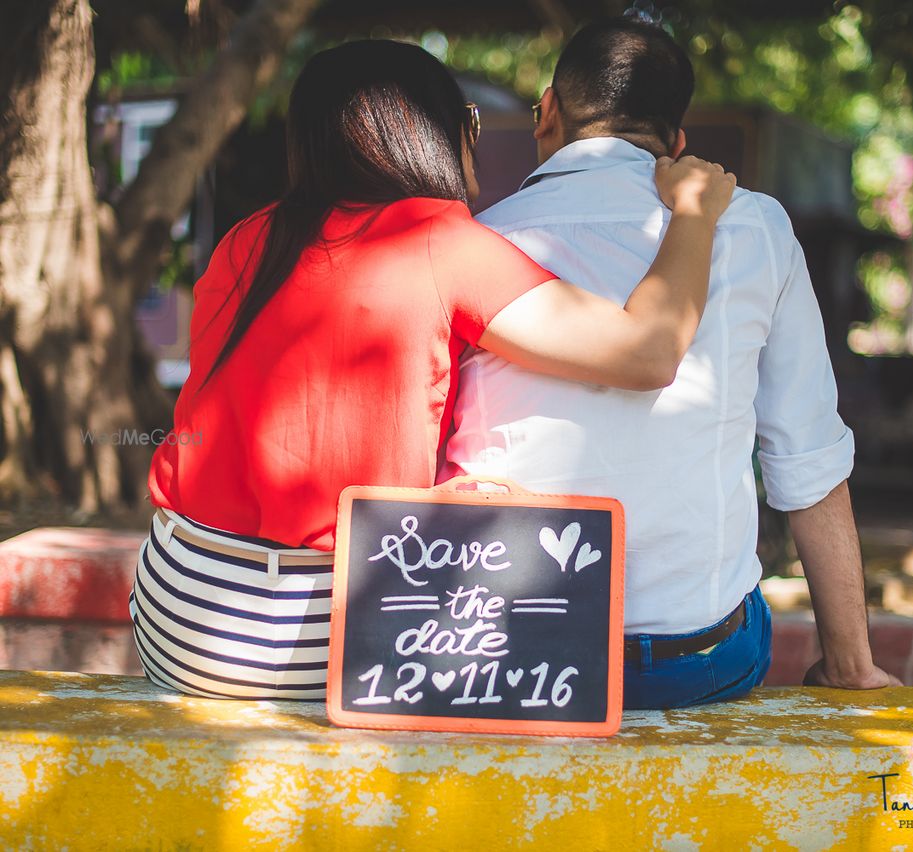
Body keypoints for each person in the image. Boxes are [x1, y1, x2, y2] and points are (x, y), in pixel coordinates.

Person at [127, 39, 736, 699]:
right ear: (437, 134)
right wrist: (695, 214)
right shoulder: (443, 243)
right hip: (329, 628)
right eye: (468, 121)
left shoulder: (246, 241)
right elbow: (646, 352)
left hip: (179, 608)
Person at [443, 17, 902, 710]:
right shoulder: (755, 228)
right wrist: (851, 666)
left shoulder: (477, 242)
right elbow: (807, 458)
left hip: (511, 651)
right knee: (732, 610)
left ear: (547, 112)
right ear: (678, 142)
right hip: (694, 661)